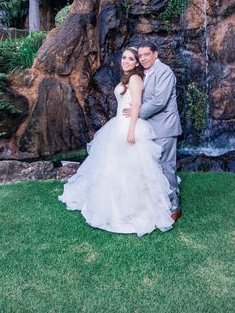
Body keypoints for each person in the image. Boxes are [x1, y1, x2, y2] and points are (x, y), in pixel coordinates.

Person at [58, 47, 175, 237]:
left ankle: (132, 210)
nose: (126, 61)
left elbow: (136, 103)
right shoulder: (126, 78)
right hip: (118, 123)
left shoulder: (136, 79)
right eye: (124, 58)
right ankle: (111, 205)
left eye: (131, 59)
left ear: (137, 63)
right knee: (112, 167)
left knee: (130, 169)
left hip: (129, 125)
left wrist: (130, 130)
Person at [123, 41, 182, 220]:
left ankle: (174, 207)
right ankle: (159, 203)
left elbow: (159, 102)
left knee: (166, 167)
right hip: (149, 129)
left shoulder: (164, 71)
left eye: (146, 54)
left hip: (165, 128)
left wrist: (136, 112)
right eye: (140, 56)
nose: (143, 58)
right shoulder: (144, 74)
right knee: (153, 169)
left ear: (155, 54)